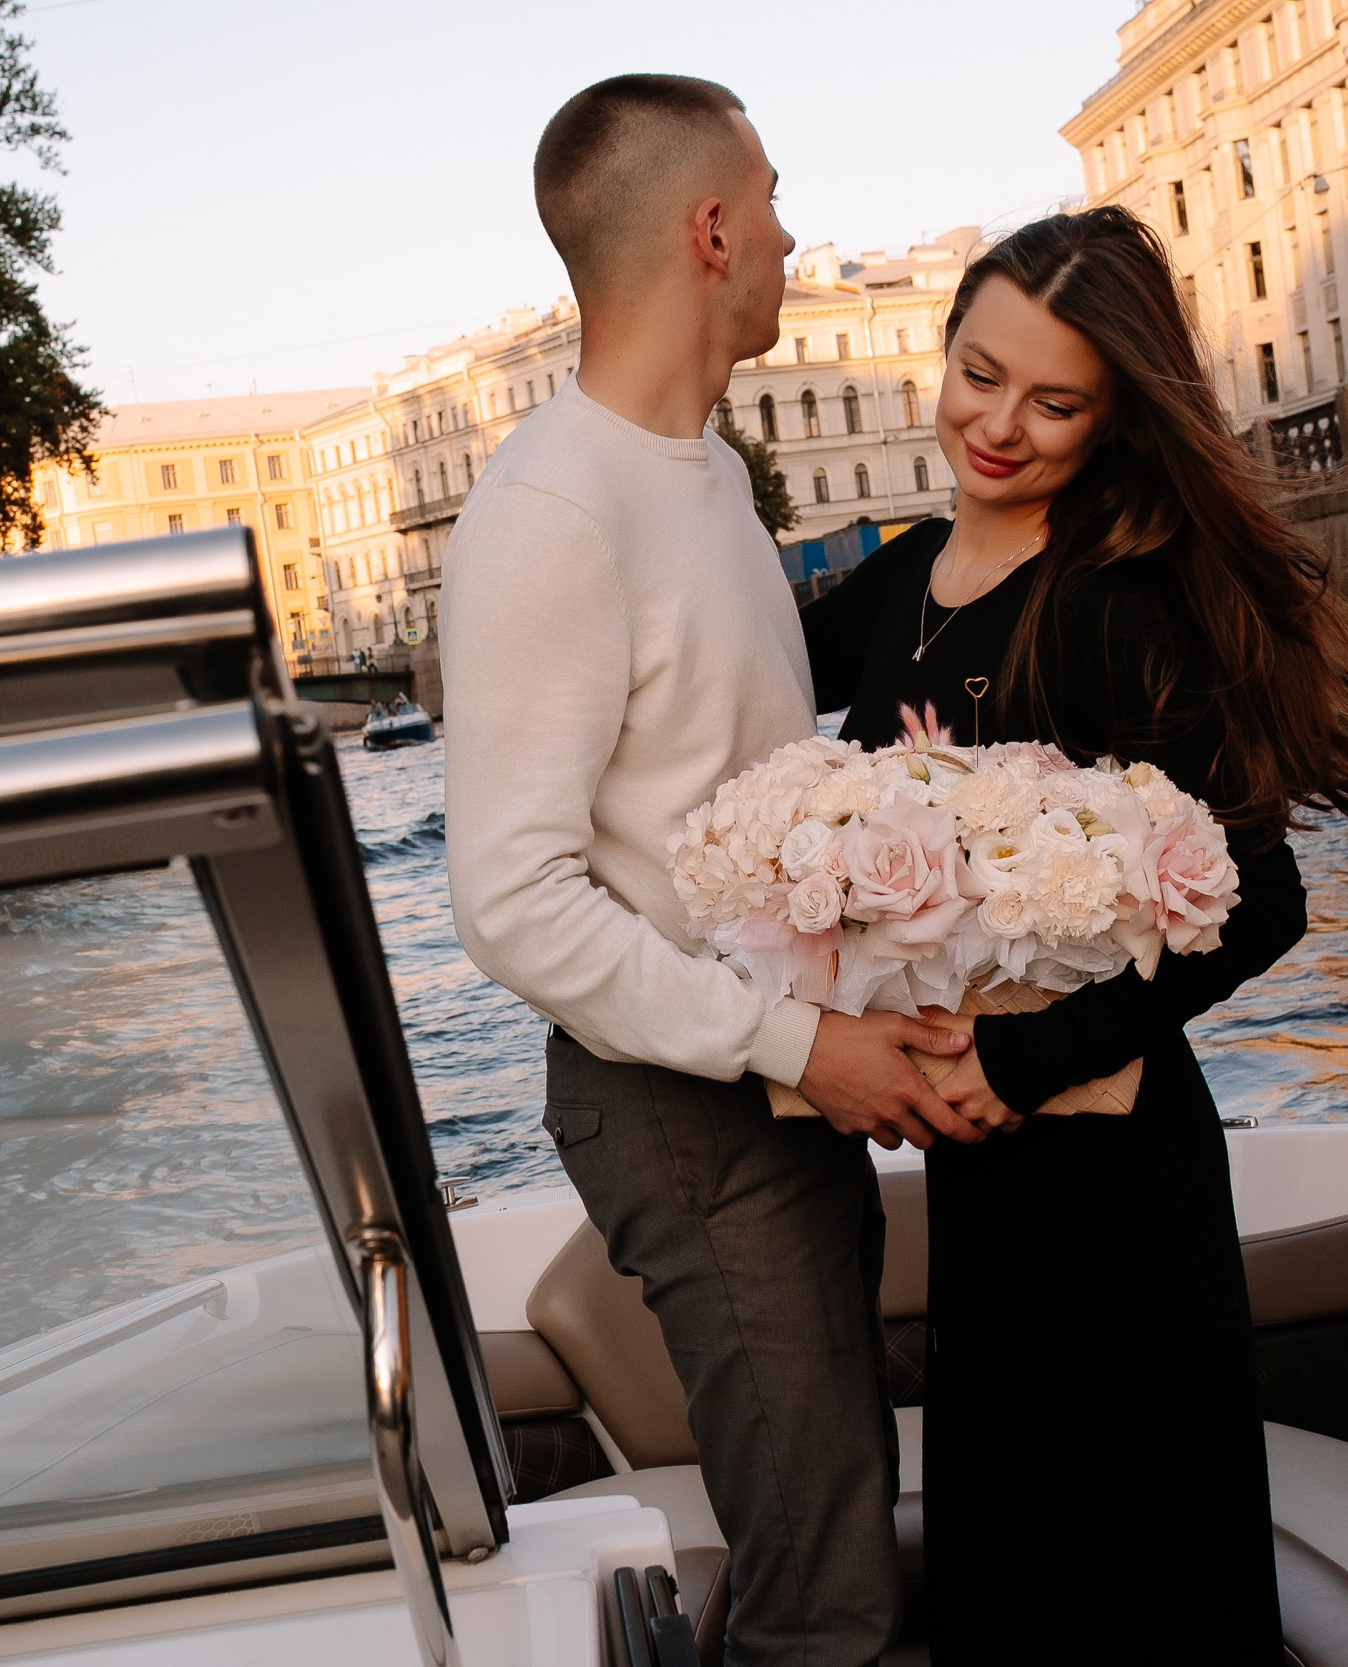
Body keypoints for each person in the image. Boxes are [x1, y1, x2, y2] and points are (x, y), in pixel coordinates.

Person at [800, 207, 1348, 1664]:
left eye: (1055, 401)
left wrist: (1015, 1072)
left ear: (1117, 413)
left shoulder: (1114, 602)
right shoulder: (896, 583)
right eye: (976, 372)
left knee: (1133, 1588)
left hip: (1113, 1177)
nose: (999, 425)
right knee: (1015, 1574)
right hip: (984, 1177)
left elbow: (1262, 903)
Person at [442, 75, 978, 1666]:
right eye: (776, 196)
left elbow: (735, 800)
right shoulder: (554, 508)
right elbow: (513, 899)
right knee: (826, 1603)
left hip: (762, 1086)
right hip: (697, 1113)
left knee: (832, 1533)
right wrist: (805, 1046)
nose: (796, 234)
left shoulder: (705, 480)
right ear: (713, 229)